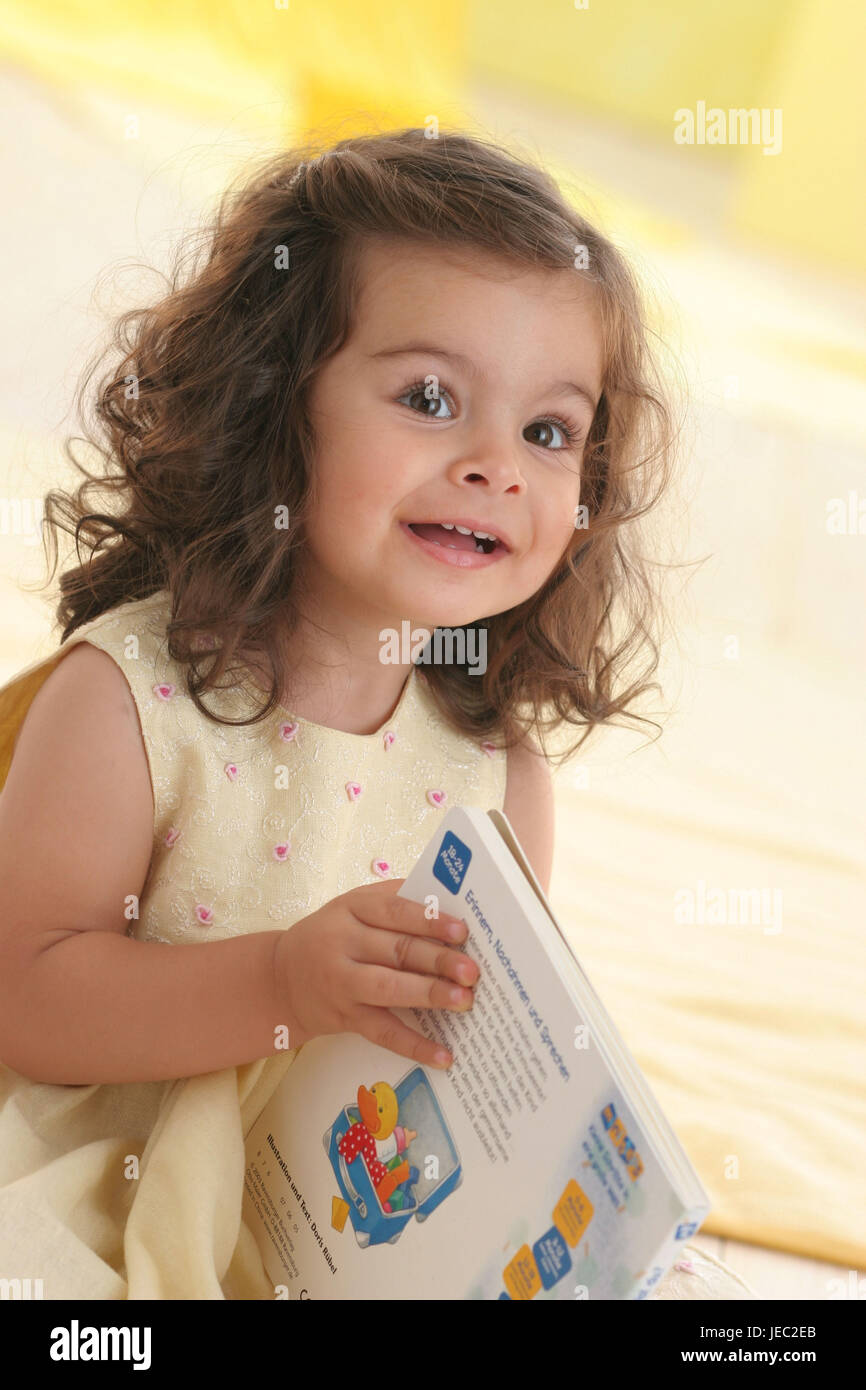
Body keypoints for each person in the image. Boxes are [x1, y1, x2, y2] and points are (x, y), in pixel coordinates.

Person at [0, 127, 755, 1301]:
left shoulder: (496, 777)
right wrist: (278, 989)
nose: (496, 464)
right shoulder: (129, 700)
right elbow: (24, 996)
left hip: (348, 1225)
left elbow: (470, 1064)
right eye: (430, 397)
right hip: (114, 1183)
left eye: (548, 431)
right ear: (273, 404)